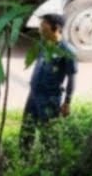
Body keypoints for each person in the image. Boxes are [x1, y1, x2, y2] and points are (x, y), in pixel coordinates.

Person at [20, 13, 77, 151]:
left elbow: (71, 78)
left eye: (43, 25)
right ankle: (23, 158)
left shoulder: (67, 51)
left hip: (49, 98)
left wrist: (67, 102)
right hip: (33, 94)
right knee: (27, 128)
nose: (40, 28)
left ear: (55, 28)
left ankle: (49, 163)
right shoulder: (43, 44)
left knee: (48, 133)